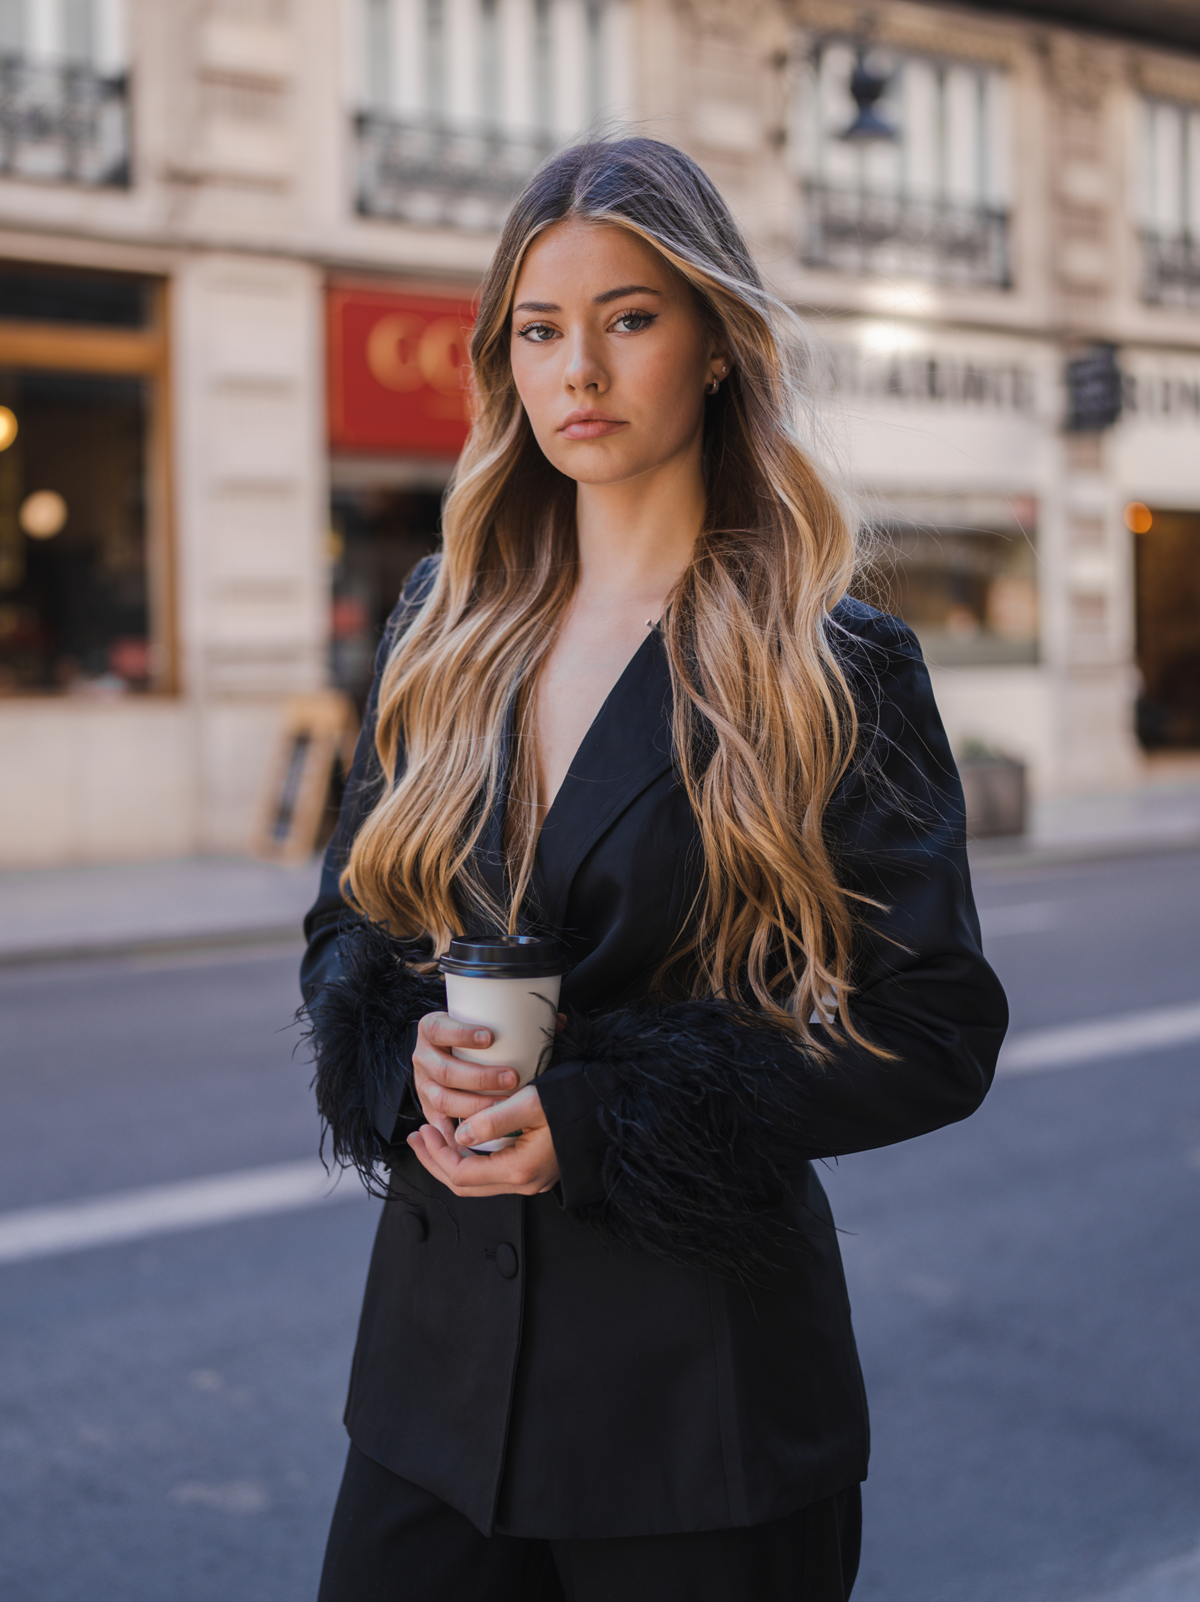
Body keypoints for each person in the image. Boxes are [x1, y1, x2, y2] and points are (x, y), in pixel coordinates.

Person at [300, 136, 1007, 1602]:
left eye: (628, 319)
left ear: (717, 343)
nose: (579, 371)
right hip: (434, 1401)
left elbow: (935, 1029)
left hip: (702, 1417)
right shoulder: (442, 621)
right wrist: (400, 1056)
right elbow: (344, 933)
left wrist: (603, 1118)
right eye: (539, 331)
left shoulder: (833, 662)